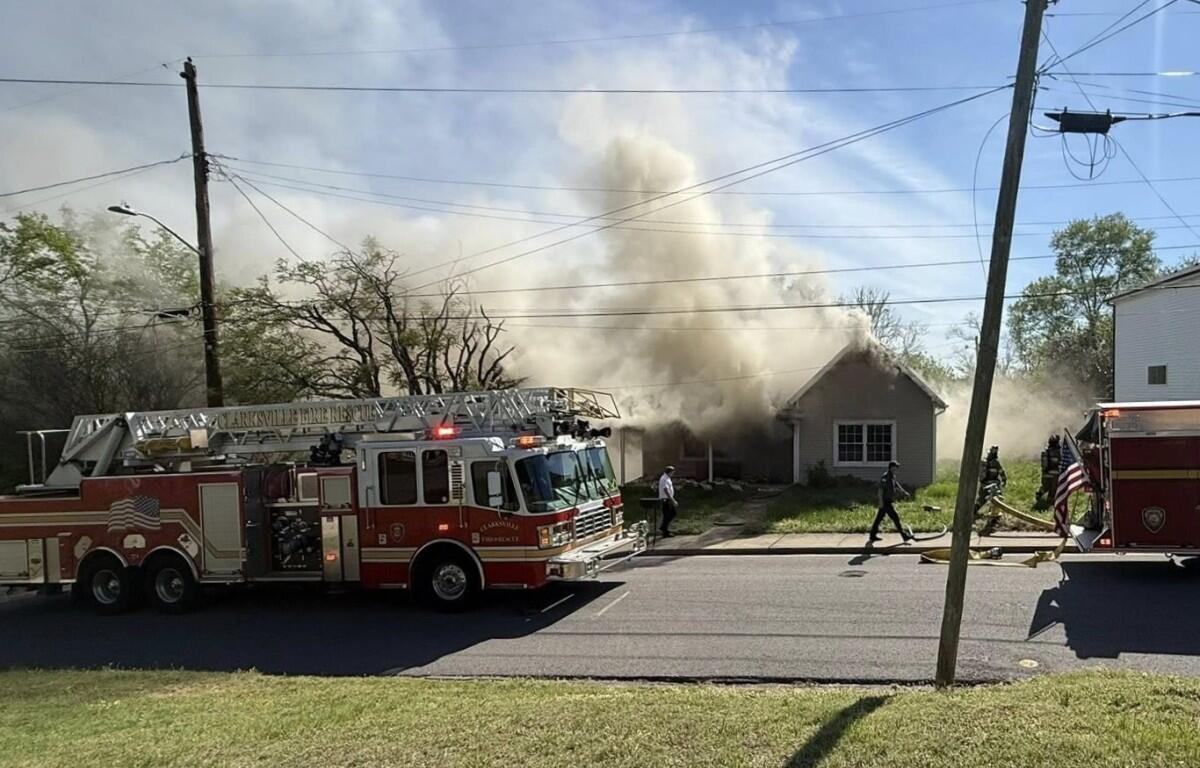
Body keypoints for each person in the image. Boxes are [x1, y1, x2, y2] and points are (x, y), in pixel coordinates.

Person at [870, 460, 913, 543]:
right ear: (891, 467)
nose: (897, 468)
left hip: (889, 501)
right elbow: (880, 491)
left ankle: (872, 535)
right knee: (895, 518)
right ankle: (904, 536)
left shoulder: (893, 476)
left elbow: (896, 485)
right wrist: (881, 502)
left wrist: (904, 492)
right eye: (895, 467)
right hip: (885, 502)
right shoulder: (885, 477)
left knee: (878, 519)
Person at [657, 465, 678, 538]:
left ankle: (663, 527)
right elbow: (665, 490)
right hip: (666, 500)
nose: (673, 474)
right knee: (667, 515)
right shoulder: (664, 479)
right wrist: (672, 500)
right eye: (672, 472)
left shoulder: (667, 478)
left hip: (668, 499)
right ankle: (664, 531)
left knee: (672, 513)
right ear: (669, 472)